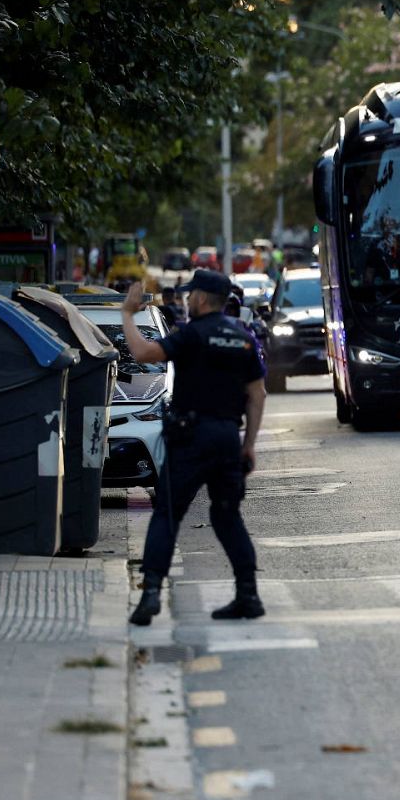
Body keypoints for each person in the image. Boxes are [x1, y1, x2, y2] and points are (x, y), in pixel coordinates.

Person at [120, 268, 268, 626]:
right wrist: (248, 446)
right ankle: (248, 595)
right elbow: (257, 394)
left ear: (201, 299)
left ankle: (151, 593)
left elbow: (141, 353)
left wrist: (127, 314)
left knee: (168, 514)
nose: (186, 300)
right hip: (227, 439)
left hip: (190, 438)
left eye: (191, 295)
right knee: (227, 515)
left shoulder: (189, 336)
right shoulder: (243, 339)